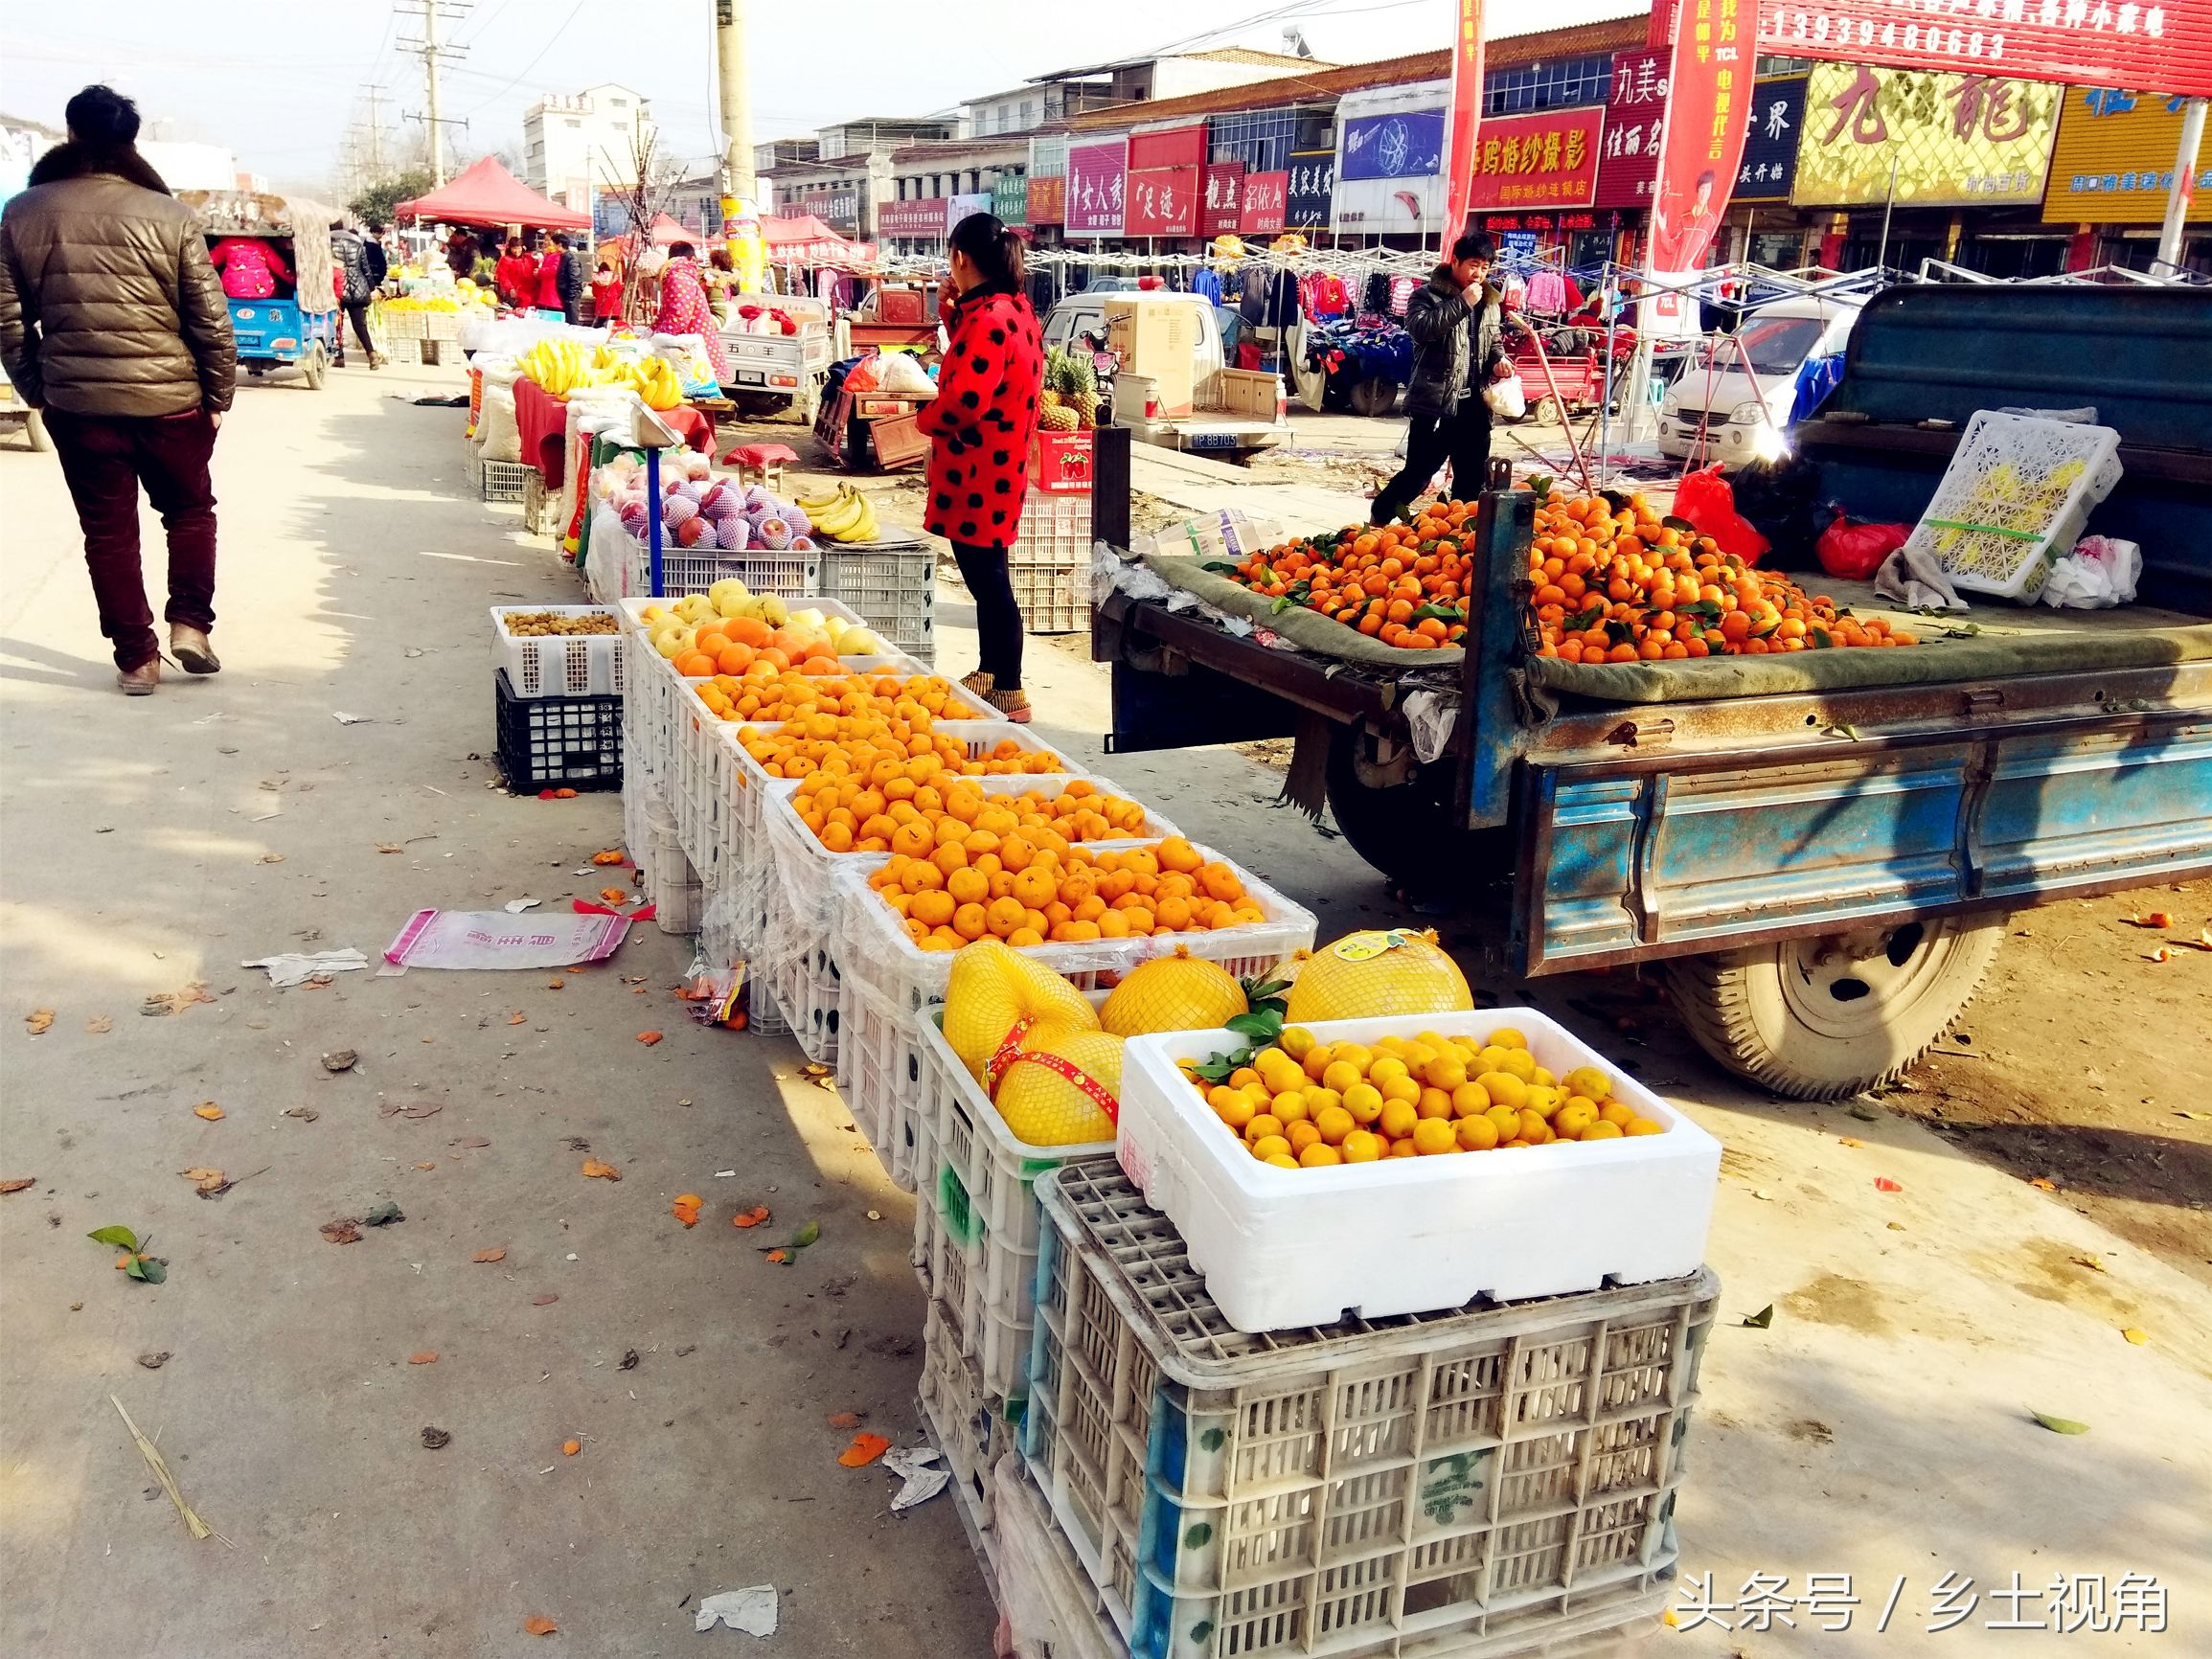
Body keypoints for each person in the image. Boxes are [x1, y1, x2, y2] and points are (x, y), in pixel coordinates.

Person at [0, 84, 236, 694]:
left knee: (106, 530)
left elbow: (7, 320)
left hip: (78, 406)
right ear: (130, 141)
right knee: (188, 512)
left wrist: (40, 390)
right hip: (171, 401)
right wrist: (217, 398)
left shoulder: (23, 212)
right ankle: (190, 625)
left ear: (72, 135)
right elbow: (210, 319)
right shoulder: (172, 215)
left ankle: (136, 659)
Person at [916, 212, 1046, 723]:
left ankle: (1011, 688)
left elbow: (965, 398)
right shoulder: (1011, 309)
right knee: (988, 573)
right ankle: (991, 671)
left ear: (960, 259)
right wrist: (952, 311)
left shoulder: (991, 318)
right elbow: (978, 353)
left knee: (987, 578)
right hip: (999, 461)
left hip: (978, 470)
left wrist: (923, 420)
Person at [1370, 232, 1513, 528]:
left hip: (1475, 403)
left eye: (1485, 267)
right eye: (1474, 264)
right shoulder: (1426, 296)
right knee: (1418, 474)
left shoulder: (1490, 302)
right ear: (1455, 261)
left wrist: (1499, 360)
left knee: (1471, 478)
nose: (1479, 273)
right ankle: (1380, 515)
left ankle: (1460, 535)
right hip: (1435, 403)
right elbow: (1421, 330)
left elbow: (1493, 341)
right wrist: (1461, 303)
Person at [652, 241, 729, 382]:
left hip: (693, 356)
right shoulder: (680, 277)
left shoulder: (679, 279)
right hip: (690, 352)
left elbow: (678, 318)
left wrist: (655, 338)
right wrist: (652, 330)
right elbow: (667, 312)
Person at [329, 217, 387, 370]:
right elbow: (366, 268)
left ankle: (339, 357)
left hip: (336, 285)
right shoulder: (356, 242)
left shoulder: (327, 242)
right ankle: (372, 355)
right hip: (358, 286)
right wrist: (372, 287)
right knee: (359, 324)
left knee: (336, 323)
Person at [552, 231, 586, 326]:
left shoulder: (571, 258)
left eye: (554, 244)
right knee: (567, 320)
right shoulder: (563, 257)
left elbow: (575, 278)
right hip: (565, 296)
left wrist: (570, 297)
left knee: (572, 321)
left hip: (571, 296)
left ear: (559, 244)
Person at [494, 236, 536, 308]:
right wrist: (510, 288)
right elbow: (503, 276)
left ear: (522, 247)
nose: (516, 251)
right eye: (514, 248)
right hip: (515, 294)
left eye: (519, 248)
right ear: (510, 248)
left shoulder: (529, 259)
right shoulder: (505, 260)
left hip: (530, 294)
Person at [590, 260, 622, 326]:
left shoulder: (596, 278)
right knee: (613, 326)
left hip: (601, 307)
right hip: (614, 306)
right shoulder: (613, 277)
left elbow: (594, 293)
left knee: (600, 327)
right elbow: (619, 290)